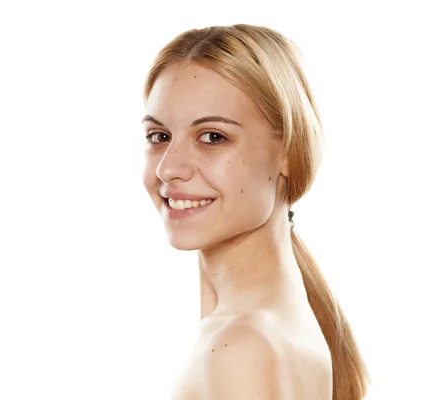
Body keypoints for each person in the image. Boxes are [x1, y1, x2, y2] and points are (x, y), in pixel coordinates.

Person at [140, 24, 369, 400]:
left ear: (289, 155)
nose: (168, 168)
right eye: (159, 137)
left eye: (212, 137)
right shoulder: (265, 327)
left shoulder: (243, 348)